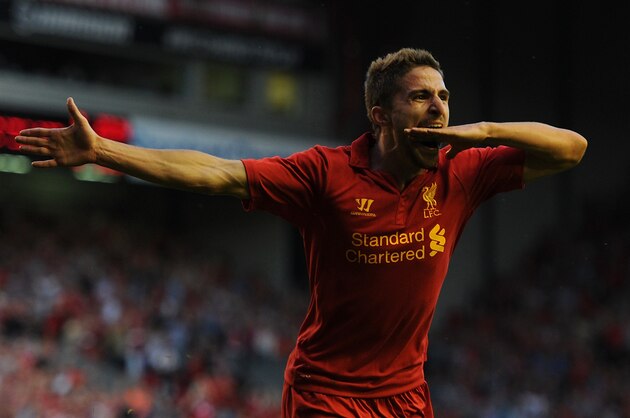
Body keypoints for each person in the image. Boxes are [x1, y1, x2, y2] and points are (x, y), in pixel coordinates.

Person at [15, 48, 587, 417]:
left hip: (407, 395)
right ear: (380, 114)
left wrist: (483, 130)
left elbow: (571, 149)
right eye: (420, 96)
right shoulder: (325, 173)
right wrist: (104, 150)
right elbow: (215, 174)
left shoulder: (464, 172)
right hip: (327, 393)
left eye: (443, 96)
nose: (438, 107)